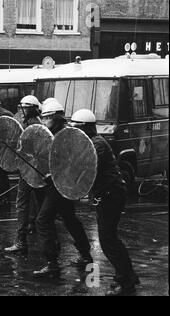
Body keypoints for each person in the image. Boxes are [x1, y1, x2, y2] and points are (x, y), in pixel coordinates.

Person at [70, 109, 140, 296]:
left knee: (108, 240)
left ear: (86, 128)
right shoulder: (92, 143)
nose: (76, 132)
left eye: (77, 128)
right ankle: (127, 276)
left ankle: (126, 281)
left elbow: (85, 167)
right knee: (110, 239)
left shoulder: (97, 145)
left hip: (112, 195)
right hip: (108, 195)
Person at [32, 99, 93, 278]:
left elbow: (72, 162)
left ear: (55, 117)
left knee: (43, 220)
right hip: (57, 184)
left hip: (61, 185)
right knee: (69, 219)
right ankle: (85, 254)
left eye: (47, 118)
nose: (43, 122)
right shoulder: (53, 133)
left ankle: (52, 262)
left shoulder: (66, 135)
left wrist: (54, 175)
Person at [5, 95, 42, 253]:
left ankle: (21, 240)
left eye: (25, 108)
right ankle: (31, 228)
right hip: (32, 170)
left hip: (31, 169)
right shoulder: (32, 123)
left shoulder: (34, 126)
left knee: (23, 204)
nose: (22, 110)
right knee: (36, 202)